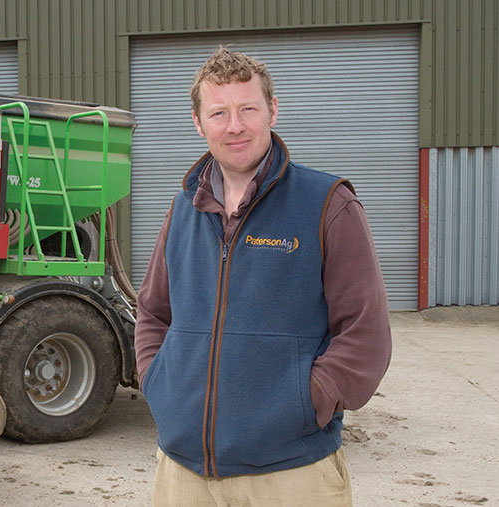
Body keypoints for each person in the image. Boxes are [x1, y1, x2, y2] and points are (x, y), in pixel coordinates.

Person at [134, 46, 392, 506]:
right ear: (199, 123)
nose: (234, 126)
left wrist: (305, 402)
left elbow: (365, 332)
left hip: (292, 474)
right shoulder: (181, 210)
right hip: (182, 474)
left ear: (272, 110)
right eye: (219, 112)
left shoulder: (327, 204)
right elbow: (154, 311)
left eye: (247, 108)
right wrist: (159, 384)